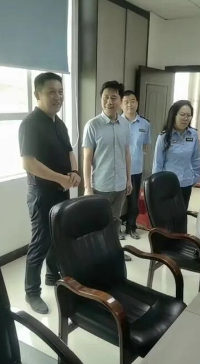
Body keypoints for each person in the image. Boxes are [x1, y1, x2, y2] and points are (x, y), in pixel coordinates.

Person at [19, 72, 80, 314]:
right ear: (37, 94)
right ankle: (31, 293)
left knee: (58, 238)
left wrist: (74, 172)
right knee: (41, 242)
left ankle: (52, 276)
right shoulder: (30, 124)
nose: (58, 96)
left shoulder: (59, 123)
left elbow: (69, 152)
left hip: (61, 191)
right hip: (42, 195)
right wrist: (61, 179)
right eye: (51, 92)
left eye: (61, 91)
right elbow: (28, 163)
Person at [83, 80, 132, 261]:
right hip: (101, 185)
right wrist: (87, 187)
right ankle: (97, 257)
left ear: (120, 100)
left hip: (120, 184)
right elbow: (87, 159)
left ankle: (114, 253)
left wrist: (128, 179)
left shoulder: (125, 124)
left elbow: (126, 153)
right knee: (98, 224)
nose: (109, 102)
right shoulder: (93, 125)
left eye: (113, 97)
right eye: (105, 97)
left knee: (116, 221)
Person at [153, 100, 200, 210]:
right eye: (182, 115)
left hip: (186, 183)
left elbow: (196, 158)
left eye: (189, 115)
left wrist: (196, 177)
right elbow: (158, 163)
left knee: (182, 213)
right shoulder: (164, 136)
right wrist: (157, 184)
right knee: (167, 214)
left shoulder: (193, 134)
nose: (186, 118)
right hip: (168, 184)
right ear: (174, 115)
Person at [120, 90, 150, 239]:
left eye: (132, 101)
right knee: (119, 202)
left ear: (137, 103)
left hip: (136, 169)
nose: (129, 105)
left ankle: (131, 227)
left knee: (133, 202)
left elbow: (145, 146)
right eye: (126, 102)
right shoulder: (117, 123)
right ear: (121, 105)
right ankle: (116, 229)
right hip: (119, 169)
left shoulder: (145, 124)